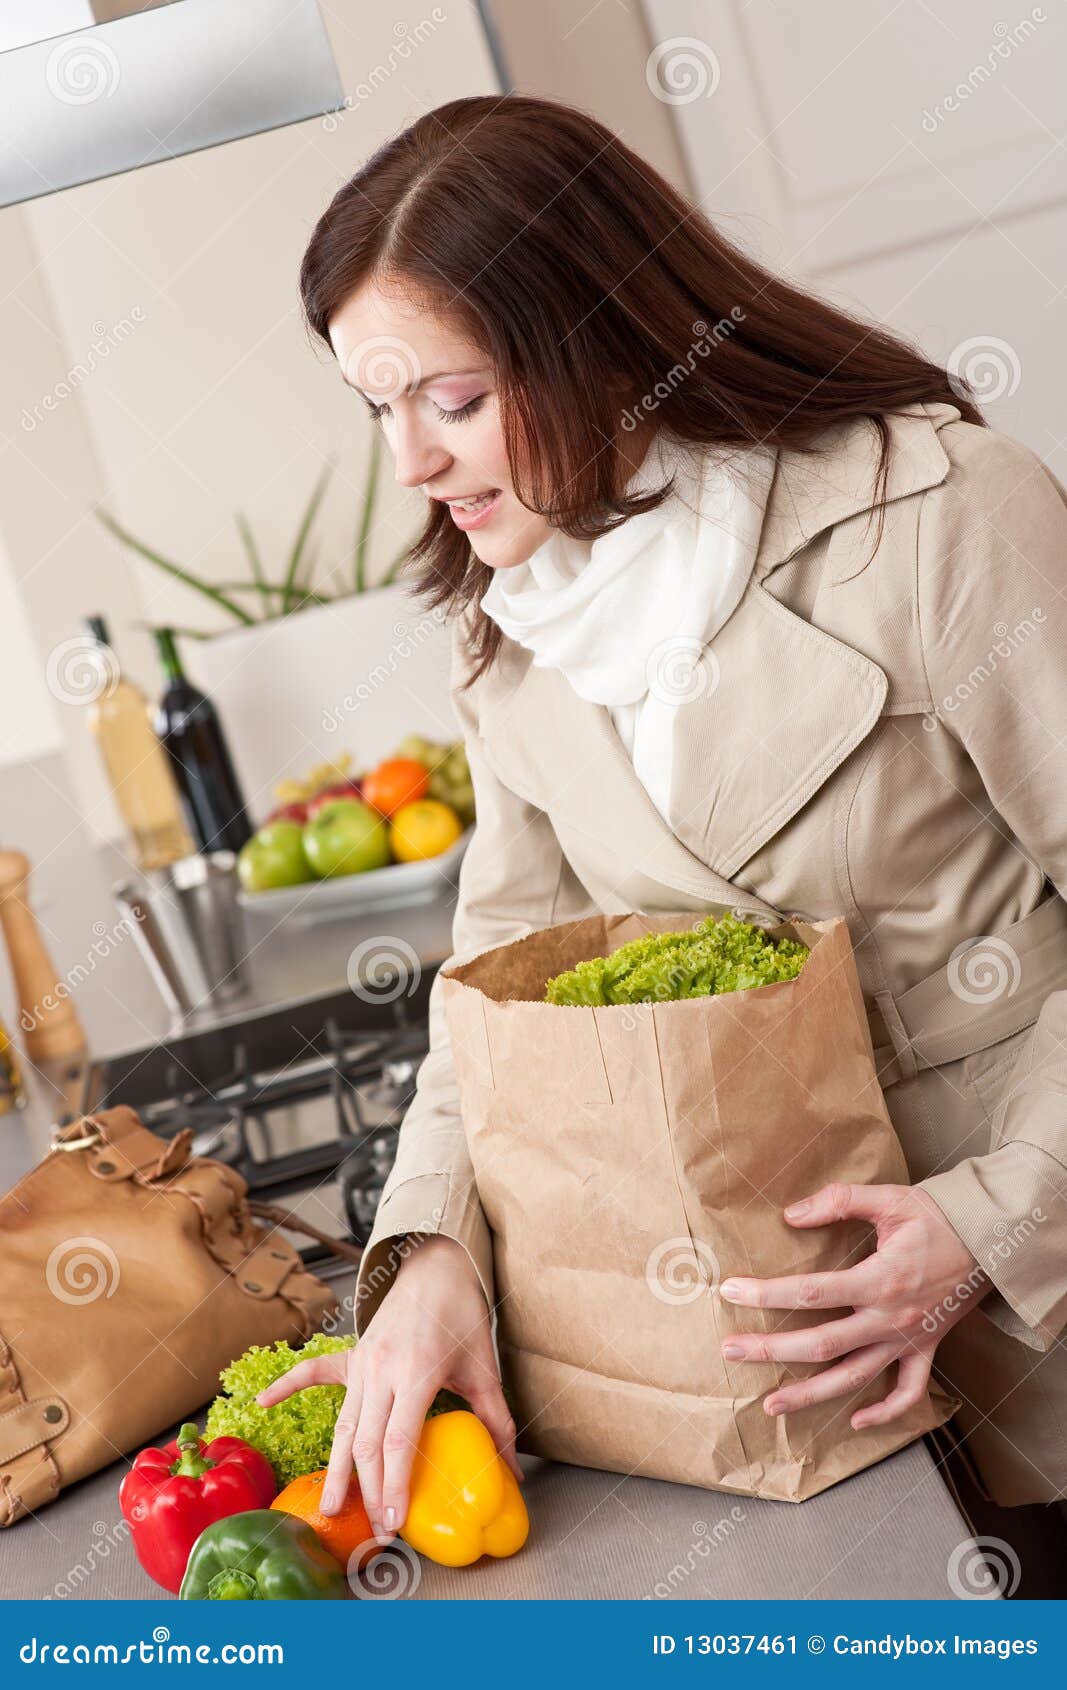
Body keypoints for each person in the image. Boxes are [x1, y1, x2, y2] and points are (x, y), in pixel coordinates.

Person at [256, 94, 1067, 1545]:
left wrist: (997, 1219)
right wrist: (430, 1248)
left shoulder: (947, 518)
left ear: (608, 347)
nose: (411, 467)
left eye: (450, 399)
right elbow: (502, 980)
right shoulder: (516, 629)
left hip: (1037, 1323)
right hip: (771, 1376)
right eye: (376, 406)